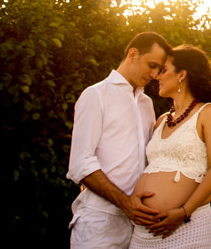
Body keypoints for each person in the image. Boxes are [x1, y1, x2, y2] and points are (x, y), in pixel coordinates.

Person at [68, 31, 172, 249]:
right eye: (151, 65)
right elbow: (80, 163)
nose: (154, 74)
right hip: (99, 223)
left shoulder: (147, 104)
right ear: (133, 54)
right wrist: (126, 204)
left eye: (159, 69)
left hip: (139, 225)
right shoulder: (95, 95)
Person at [129, 44, 211, 249]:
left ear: (182, 74)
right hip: (143, 231)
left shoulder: (209, 113)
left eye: (164, 70)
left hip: (186, 226)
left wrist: (184, 212)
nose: (157, 76)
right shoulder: (160, 121)